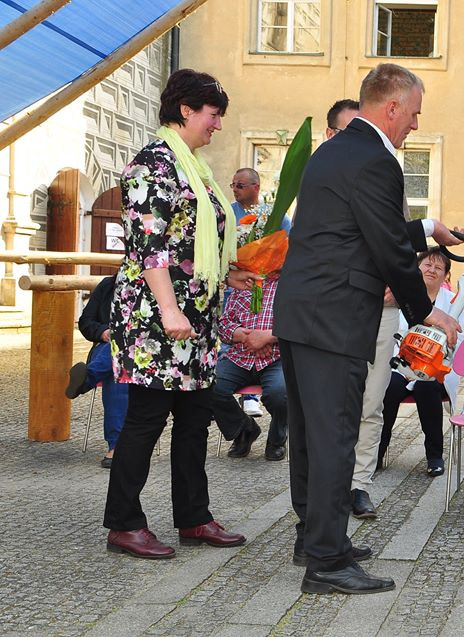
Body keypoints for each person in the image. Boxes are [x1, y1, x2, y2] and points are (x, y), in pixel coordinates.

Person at [274, 63, 461, 595]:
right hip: (336, 316)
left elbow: (351, 230)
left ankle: (314, 536)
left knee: (312, 433)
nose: (416, 126)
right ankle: (328, 562)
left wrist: (425, 227)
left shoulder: (333, 151)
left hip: (304, 311)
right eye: (416, 113)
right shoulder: (378, 160)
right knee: (335, 434)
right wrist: (426, 310)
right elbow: (384, 246)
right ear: (393, 106)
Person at [103, 69, 259, 559]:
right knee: (146, 420)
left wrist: (223, 276)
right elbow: (149, 249)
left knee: (194, 421)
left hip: (195, 317)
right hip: (158, 317)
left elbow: (191, 241)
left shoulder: (193, 167)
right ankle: (123, 523)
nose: (217, 125)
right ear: (187, 110)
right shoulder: (153, 165)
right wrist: (170, 309)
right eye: (213, 115)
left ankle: (194, 517)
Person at [323, 97, 464, 520]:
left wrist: (399, 289)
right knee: (333, 403)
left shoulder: (386, 169)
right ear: (332, 137)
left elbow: (392, 244)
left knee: (372, 400)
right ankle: (327, 488)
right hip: (338, 310)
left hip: (383, 310)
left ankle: (359, 483)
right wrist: (428, 228)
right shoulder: (325, 176)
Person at [377, 247, 464, 477]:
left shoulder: (453, 302)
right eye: (427, 265)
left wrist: (437, 347)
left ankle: (434, 456)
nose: (432, 270)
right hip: (401, 363)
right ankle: (376, 452)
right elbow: (389, 332)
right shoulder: (402, 296)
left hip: (436, 367)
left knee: (427, 387)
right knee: (388, 387)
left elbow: (461, 337)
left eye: (439, 267)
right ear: (417, 269)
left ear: (446, 275)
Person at [227, 166, 290, 419]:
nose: (234, 189)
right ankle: (244, 411)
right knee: (237, 335)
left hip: (272, 284)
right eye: (232, 185)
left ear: (256, 187)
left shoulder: (274, 216)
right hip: (239, 285)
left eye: (240, 185)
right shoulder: (228, 214)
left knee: (263, 333)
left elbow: (290, 249)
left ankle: (269, 417)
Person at [210, 274, 287, 461]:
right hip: (241, 356)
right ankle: (244, 429)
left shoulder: (290, 283)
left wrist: (269, 337)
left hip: (276, 356)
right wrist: (245, 336)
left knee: (280, 392)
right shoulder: (244, 282)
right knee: (209, 385)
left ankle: (277, 440)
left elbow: (301, 322)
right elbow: (225, 325)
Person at [65, 275, 128, 469]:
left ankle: (87, 378)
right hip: (106, 350)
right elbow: (85, 321)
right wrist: (102, 332)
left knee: (117, 366)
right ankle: (117, 446)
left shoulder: (159, 287)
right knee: (117, 365)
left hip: (145, 354)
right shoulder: (109, 285)